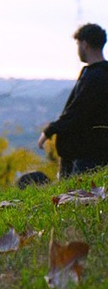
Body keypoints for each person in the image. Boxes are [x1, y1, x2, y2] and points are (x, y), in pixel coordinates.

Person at [38, 23, 108, 178]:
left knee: (78, 196)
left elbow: (78, 111)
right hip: (93, 152)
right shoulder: (97, 73)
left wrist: (50, 130)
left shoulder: (97, 76)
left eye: (78, 44)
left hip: (87, 156)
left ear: (84, 44)